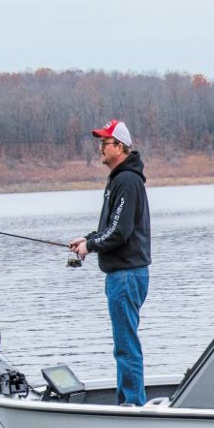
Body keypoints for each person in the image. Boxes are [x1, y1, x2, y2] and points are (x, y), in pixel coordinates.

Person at [70, 119, 152, 406]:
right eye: (101, 143)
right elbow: (112, 227)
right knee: (123, 345)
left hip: (126, 275)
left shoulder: (127, 180)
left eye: (104, 143)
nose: (100, 148)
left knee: (126, 346)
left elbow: (120, 231)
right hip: (125, 275)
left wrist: (90, 246)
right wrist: (88, 239)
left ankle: (132, 405)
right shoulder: (120, 179)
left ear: (119, 146)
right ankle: (126, 402)